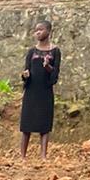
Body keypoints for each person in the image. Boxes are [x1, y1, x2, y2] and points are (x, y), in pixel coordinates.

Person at [19, 19, 60, 160]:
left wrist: (48, 67)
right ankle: (23, 156)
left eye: (41, 30)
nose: (38, 32)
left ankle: (43, 156)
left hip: (45, 91)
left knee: (45, 124)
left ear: (48, 31)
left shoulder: (55, 51)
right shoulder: (32, 51)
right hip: (31, 91)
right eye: (36, 30)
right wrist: (25, 75)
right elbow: (26, 71)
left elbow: (55, 76)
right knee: (26, 123)